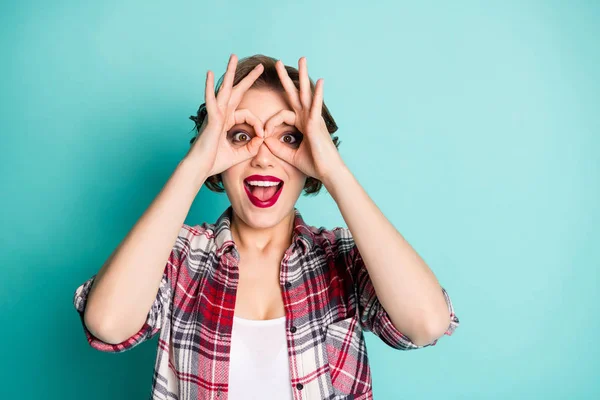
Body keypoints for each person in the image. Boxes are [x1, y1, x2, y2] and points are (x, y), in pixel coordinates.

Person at [73, 53, 460, 400]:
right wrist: (194, 166)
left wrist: (335, 172)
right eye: (241, 136)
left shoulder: (343, 256)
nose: (261, 157)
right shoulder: (178, 256)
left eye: (288, 138)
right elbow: (109, 324)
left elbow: (425, 324)